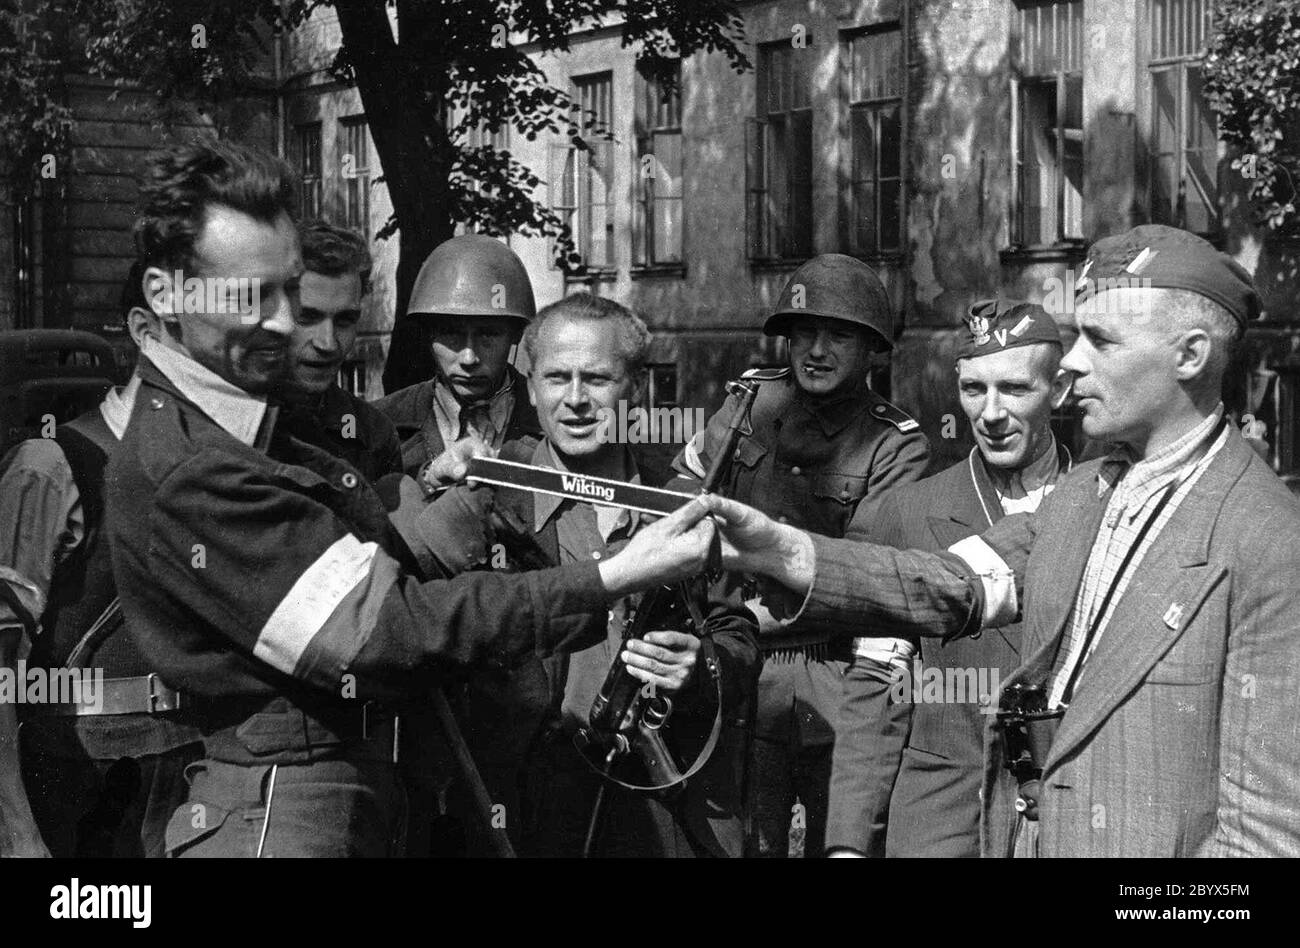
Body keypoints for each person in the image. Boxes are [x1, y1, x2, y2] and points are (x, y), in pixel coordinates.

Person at [107, 139, 715, 858]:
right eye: (248, 295)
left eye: (285, 291)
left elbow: (376, 565)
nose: (280, 323)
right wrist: (612, 575)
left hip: (335, 795)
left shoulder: (238, 430)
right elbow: (389, 632)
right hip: (280, 813)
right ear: (164, 295)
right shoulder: (198, 467)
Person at [703, 224, 1300, 857]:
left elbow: (1264, 833)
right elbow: (948, 584)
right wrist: (779, 549)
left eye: (1100, 340)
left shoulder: (1266, 540)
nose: (1071, 362)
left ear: (1191, 355)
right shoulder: (1088, 496)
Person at [423, 293, 759, 857]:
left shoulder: (681, 506)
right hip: (521, 804)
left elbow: (738, 637)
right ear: (530, 389)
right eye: (556, 378)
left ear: (634, 389)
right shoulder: (487, 499)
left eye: (597, 379)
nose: (575, 400)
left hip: (655, 799)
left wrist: (701, 666)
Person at [670, 253, 929, 857]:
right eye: (803, 332)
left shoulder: (895, 443)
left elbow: (866, 577)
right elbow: (686, 497)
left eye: (838, 335)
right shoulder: (747, 405)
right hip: (735, 672)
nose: (815, 350)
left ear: (872, 349)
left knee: (839, 841)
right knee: (739, 844)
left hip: (836, 681)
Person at [827, 299, 1071, 858]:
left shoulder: (1107, 506)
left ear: (1057, 392)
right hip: (942, 820)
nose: (989, 413)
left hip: (1068, 820)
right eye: (973, 390)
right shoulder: (909, 515)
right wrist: (848, 844)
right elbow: (876, 691)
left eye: (1013, 389)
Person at [0, 263, 203, 858]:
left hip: (193, 770)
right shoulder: (50, 464)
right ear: (144, 330)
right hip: (78, 775)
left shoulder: (218, 465)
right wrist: (15, 830)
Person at [374, 234, 542, 490]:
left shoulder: (550, 420)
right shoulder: (379, 425)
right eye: (451, 333)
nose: (468, 358)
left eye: (488, 334)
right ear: (428, 333)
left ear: (516, 334)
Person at [278, 220, 402, 483]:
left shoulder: (373, 434)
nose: (328, 343)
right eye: (307, 318)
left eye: (345, 320)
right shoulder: (232, 419)